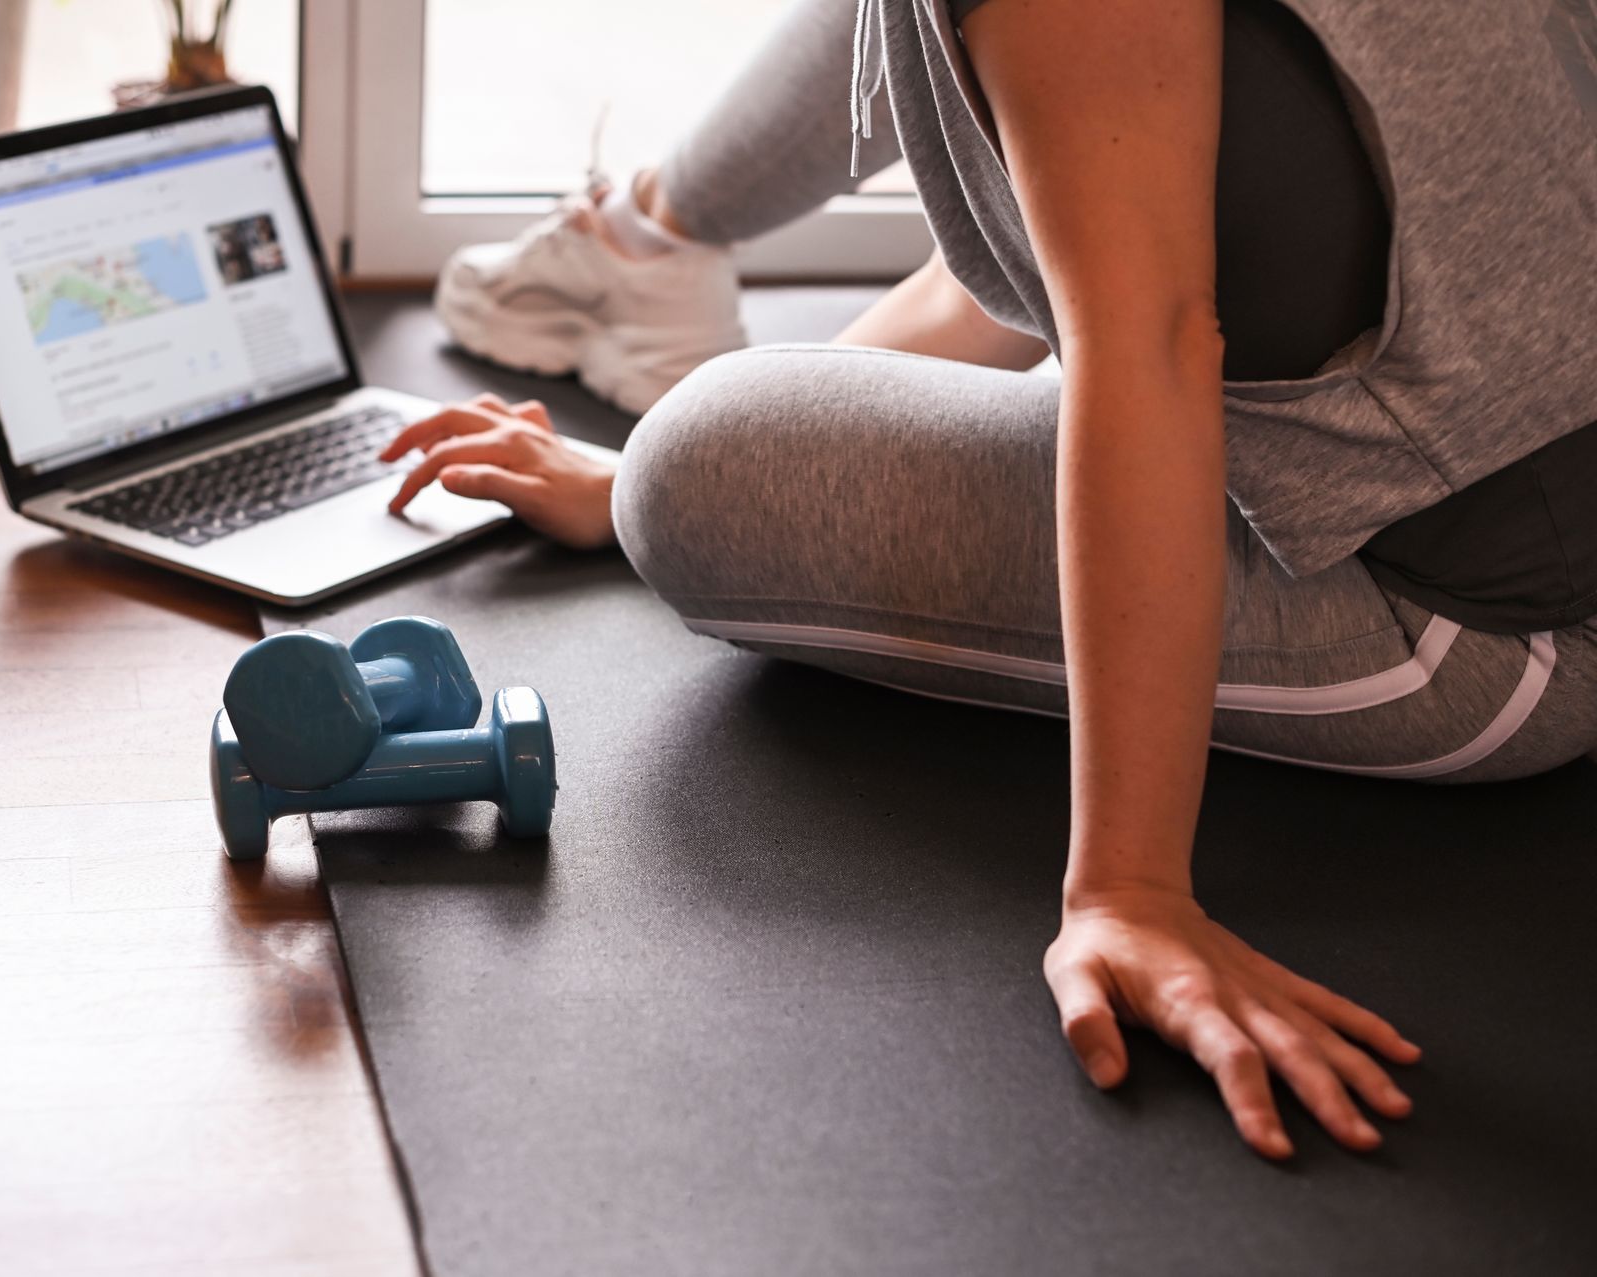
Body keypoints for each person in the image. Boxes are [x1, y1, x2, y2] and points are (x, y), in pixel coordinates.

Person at [386, 0, 1597, 1160]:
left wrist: (1127, 887)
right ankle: (639, 240)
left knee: (694, 465)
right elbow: (1048, 208)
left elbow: (1150, 338)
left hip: (1494, 614)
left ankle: (639, 256)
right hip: (1507, 454)